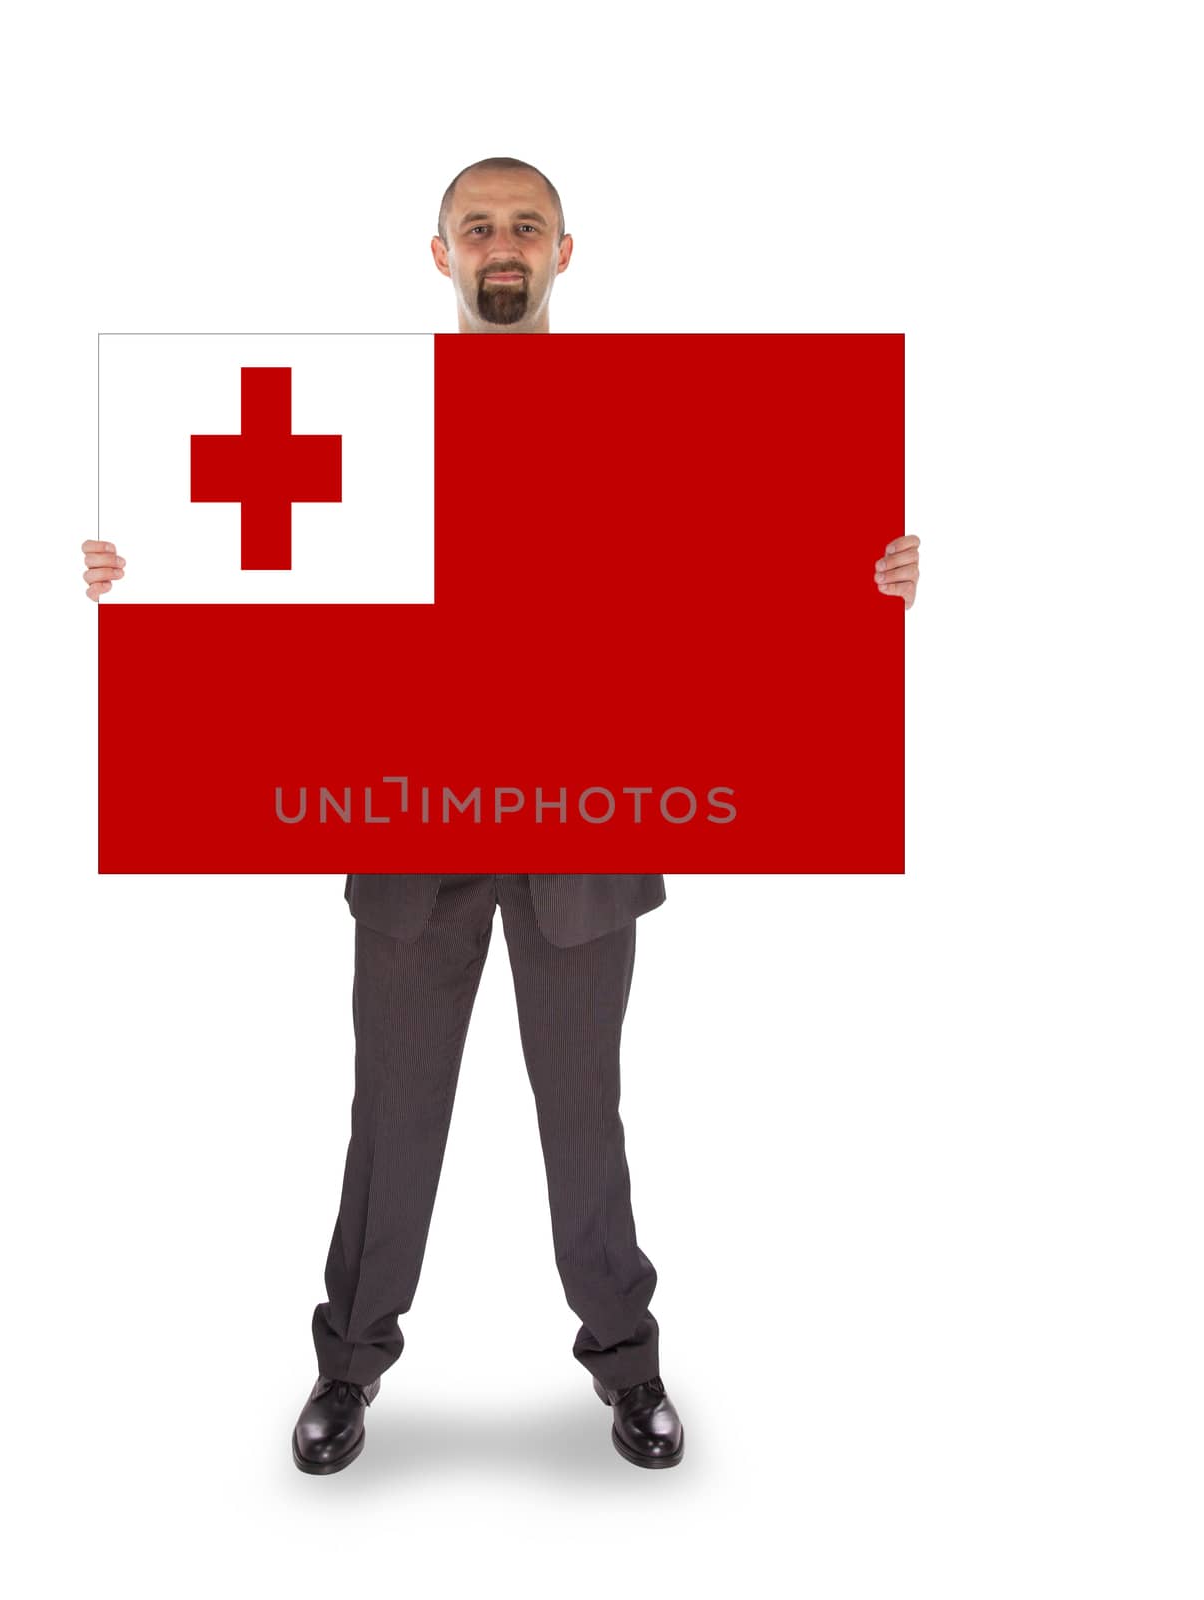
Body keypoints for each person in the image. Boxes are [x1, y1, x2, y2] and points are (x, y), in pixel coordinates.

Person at [81, 157, 921, 1475]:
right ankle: (347, 1368)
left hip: (581, 826)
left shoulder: (639, 419)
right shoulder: (372, 425)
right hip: (413, 824)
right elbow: (278, 592)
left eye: (523, 225)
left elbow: (724, 578)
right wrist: (149, 579)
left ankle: (626, 1365)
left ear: (564, 252)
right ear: (441, 257)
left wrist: (857, 577)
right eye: (478, 227)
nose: (501, 245)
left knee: (586, 1116)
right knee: (393, 1114)